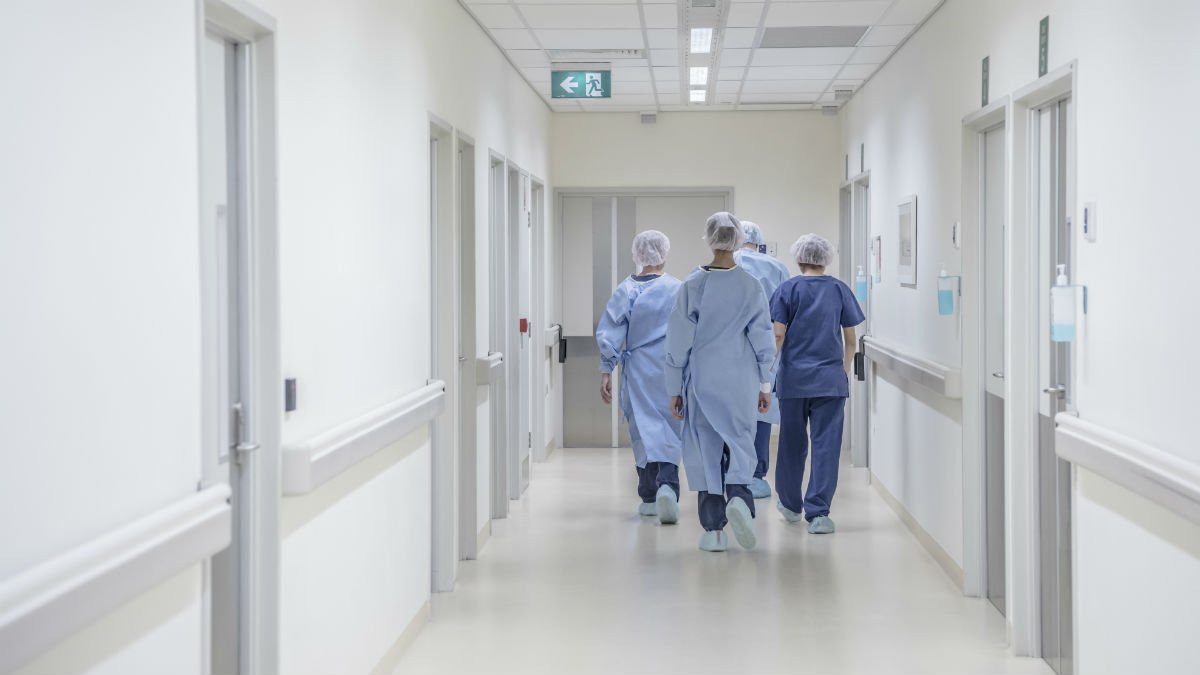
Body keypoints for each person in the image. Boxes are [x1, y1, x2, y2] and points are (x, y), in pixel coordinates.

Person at [665, 212, 776, 552]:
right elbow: (764, 340)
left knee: (706, 450)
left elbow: (678, 342)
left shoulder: (692, 286)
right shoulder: (750, 286)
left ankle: (713, 530)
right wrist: (765, 384)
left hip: (702, 380)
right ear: (739, 239)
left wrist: (674, 389)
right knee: (741, 442)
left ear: (710, 239)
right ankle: (740, 497)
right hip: (741, 380)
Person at [769, 234, 865, 534]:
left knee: (790, 444)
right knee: (826, 446)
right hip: (829, 382)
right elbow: (851, 341)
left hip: (794, 381)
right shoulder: (839, 290)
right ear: (825, 259)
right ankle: (819, 513)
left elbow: (777, 336)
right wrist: (842, 371)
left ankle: (789, 504)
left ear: (799, 259)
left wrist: (766, 374)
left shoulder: (787, 289)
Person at [596, 230, 684, 525]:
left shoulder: (626, 290)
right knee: (670, 428)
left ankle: (648, 496)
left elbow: (610, 334)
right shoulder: (677, 288)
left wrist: (606, 370)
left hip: (637, 370)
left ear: (638, 255)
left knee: (642, 429)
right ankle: (668, 488)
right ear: (665, 253)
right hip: (671, 368)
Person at [733, 221, 791, 500]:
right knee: (762, 407)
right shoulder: (776, 268)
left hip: (726, 351)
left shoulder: (722, 265)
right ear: (759, 242)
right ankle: (755, 476)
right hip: (767, 349)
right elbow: (787, 314)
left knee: (727, 413)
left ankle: (729, 473)